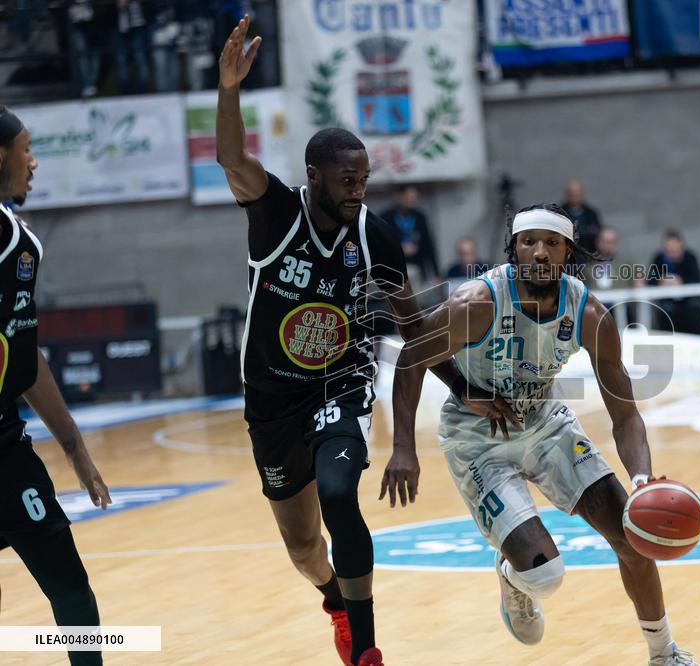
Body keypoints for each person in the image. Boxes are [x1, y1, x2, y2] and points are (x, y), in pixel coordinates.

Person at [216, 17, 483, 666]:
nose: (359, 191)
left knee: (339, 493)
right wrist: (228, 91)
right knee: (304, 547)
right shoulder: (275, 214)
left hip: (341, 383)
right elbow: (231, 158)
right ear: (315, 176)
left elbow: (414, 331)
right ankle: (335, 601)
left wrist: (468, 390)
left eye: (363, 180)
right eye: (347, 181)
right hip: (272, 401)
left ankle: (365, 651)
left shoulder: (374, 234)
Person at [382, 204, 699, 666]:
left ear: (568, 252)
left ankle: (663, 653)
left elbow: (626, 415)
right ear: (513, 250)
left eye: (552, 243)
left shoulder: (588, 312)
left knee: (630, 536)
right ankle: (515, 578)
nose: (540, 252)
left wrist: (642, 481)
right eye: (529, 242)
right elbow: (412, 355)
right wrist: (404, 447)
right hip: (477, 439)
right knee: (547, 575)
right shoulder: (478, 301)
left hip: (546, 422)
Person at [0, 105, 112, 666]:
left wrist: (76, 448)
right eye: (26, 150)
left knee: (71, 585)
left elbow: (25, 351)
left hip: (7, 453)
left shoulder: (22, 247)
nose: (34, 162)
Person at [641, 230, 700, 334]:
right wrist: (660, 282)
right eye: (669, 250)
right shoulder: (659, 259)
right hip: (667, 303)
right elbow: (650, 281)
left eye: (675, 249)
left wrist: (681, 281)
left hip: (688, 302)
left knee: (692, 312)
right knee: (665, 313)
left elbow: (697, 279)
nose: (673, 253)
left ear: (681, 246)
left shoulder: (690, 257)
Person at [380, 186, 439, 286]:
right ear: (400, 197)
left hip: (417, 265)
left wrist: (436, 274)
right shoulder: (386, 217)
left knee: (419, 297)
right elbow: (380, 245)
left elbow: (429, 246)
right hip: (394, 266)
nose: (413, 200)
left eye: (415, 197)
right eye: (409, 197)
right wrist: (399, 248)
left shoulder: (420, 217)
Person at [561, 180, 602, 255]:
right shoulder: (559, 213)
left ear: (582, 194)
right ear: (567, 195)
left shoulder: (591, 213)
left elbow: (597, 232)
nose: (575, 196)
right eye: (572, 193)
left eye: (577, 193)